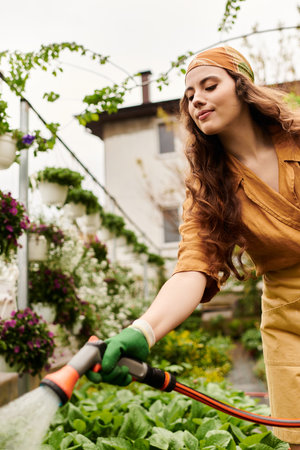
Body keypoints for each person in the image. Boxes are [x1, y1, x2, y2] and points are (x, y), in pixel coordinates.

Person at [88, 46, 300, 449]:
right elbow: (193, 268)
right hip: (289, 323)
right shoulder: (209, 187)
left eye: (209, 85)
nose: (196, 99)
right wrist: (142, 331)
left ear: (242, 87)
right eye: (189, 94)